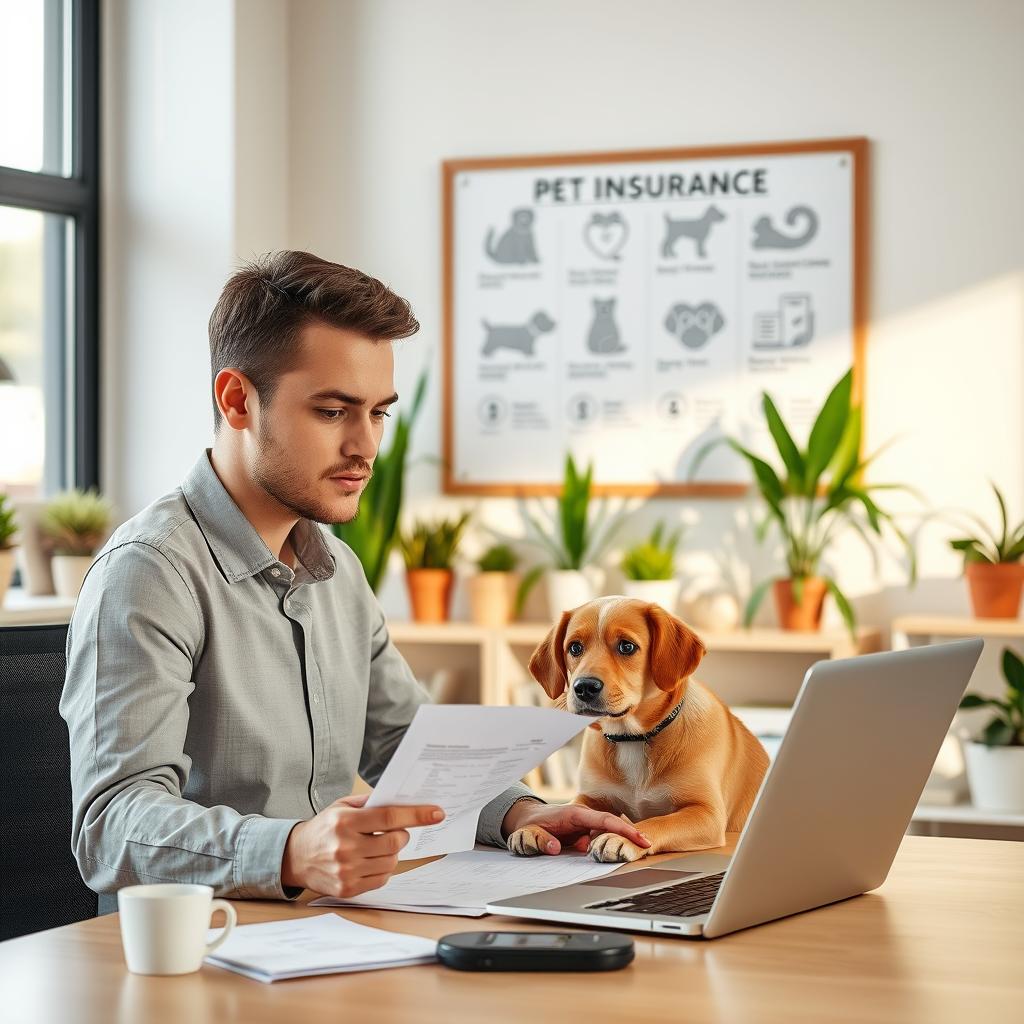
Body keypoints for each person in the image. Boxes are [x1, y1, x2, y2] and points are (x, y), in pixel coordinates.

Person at [61, 251, 649, 902]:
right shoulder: (149, 573)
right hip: (205, 959)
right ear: (237, 401)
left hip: (331, 939)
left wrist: (519, 814)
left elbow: (402, 743)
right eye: (333, 411)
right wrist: (290, 851)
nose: (366, 447)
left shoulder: (337, 570)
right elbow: (110, 825)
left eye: (378, 413)